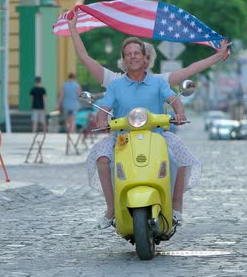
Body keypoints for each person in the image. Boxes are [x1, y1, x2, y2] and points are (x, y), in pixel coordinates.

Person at [68, 12, 231, 228]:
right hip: (122, 138)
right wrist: (101, 120)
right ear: (124, 59)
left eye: (138, 53)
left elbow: (176, 94)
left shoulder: (158, 81)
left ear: (146, 58)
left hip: (157, 136)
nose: (134, 57)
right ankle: (111, 209)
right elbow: (102, 102)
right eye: (129, 54)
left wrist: (179, 112)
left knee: (178, 158)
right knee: (102, 159)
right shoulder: (114, 83)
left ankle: (176, 207)